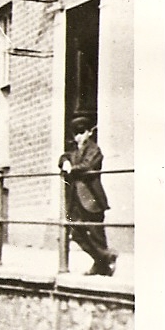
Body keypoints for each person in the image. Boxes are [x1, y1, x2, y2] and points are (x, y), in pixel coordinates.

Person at [60, 117, 115, 276]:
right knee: (77, 233)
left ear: (89, 132)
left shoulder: (94, 150)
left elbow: (88, 165)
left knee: (96, 233)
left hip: (91, 199)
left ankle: (103, 263)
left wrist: (72, 168)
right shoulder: (74, 151)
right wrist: (64, 161)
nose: (78, 137)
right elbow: (64, 157)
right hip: (76, 200)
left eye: (82, 132)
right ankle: (104, 259)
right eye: (76, 133)